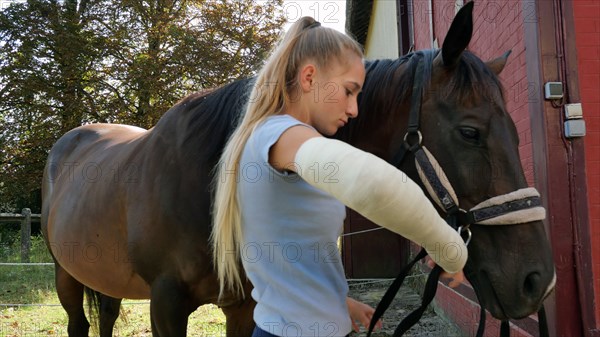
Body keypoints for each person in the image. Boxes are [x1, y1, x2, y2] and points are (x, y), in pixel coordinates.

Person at [211, 17, 467, 337]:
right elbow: (373, 184)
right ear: (309, 78)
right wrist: (447, 245)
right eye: (349, 91)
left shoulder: (268, 137)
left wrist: (336, 303)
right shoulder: (281, 135)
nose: (354, 109)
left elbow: (288, 257)